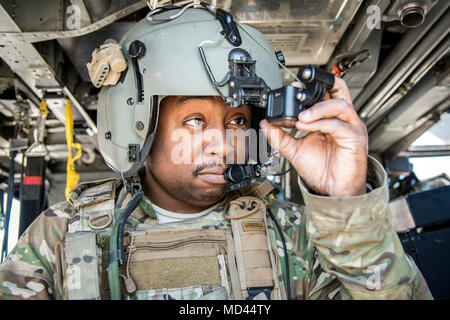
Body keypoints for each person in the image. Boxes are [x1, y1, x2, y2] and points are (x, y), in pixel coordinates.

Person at [0, 4, 431, 300]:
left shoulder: (296, 234)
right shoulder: (59, 236)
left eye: (238, 121)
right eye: (193, 121)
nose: (225, 143)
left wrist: (345, 202)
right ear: (139, 126)